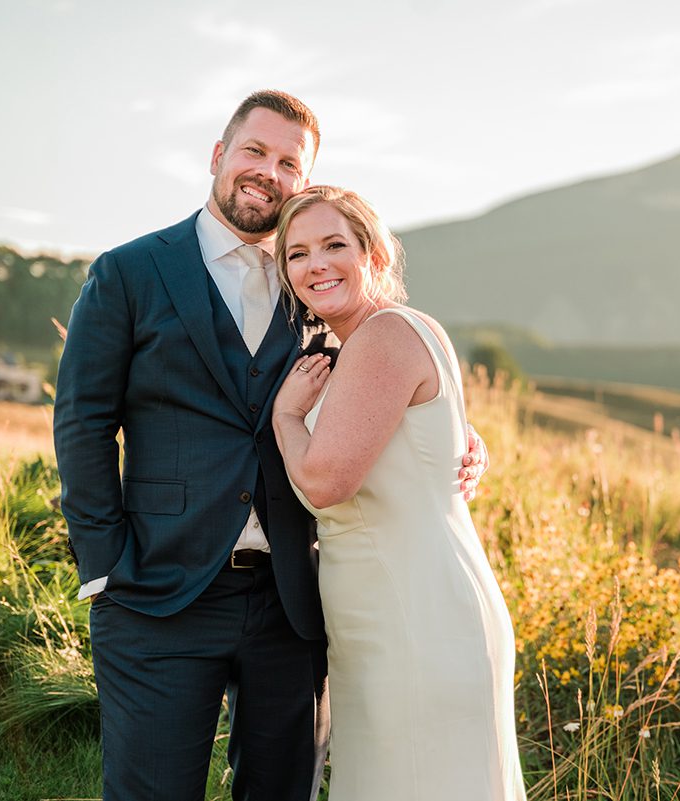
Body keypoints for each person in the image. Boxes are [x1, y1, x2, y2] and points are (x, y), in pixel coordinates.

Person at [53, 91, 487, 801]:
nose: (268, 171)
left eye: (290, 162)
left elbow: (383, 376)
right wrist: (105, 567)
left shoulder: (315, 282)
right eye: (256, 150)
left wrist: (455, 436)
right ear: (219, 155)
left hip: (295, 595)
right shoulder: (129, 271)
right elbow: (82, 421)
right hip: (158, 591)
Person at [271, 185, 526, 801]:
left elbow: (329, 483)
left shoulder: (382, 336)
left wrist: (285, 418)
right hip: (402, 607)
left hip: (414, 617)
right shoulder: (379, 338)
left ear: (376, 254)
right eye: (297, 253)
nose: (316, 265)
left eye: (335, 245)